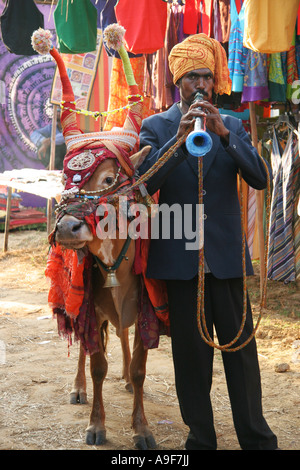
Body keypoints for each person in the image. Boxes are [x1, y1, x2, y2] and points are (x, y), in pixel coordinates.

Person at [138, 34, 278, 450]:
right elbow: (145, 186)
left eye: (207, 77)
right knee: (191, 363)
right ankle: (201, 439)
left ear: (215, 83)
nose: (201, 85)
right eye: (192, 77)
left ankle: (256, 438)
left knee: (241, 357)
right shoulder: (156, 126)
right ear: (177, 82)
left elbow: (260, 178)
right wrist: (177, 144)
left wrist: (226, 137)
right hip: (181, 263)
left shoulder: (231, 124)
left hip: (224, 260)